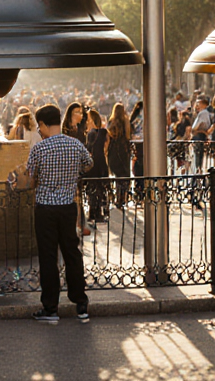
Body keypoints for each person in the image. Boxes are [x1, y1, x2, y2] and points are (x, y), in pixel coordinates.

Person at [25, 104, 92, 324]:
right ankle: (80, 303)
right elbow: (89, 163)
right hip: (67, 206)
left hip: (45, 208)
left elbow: (31, 178)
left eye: (38, 126)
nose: (39, 130)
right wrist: (73, 175)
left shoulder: (39, 149)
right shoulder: (75, 144)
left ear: (43, 124)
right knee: (72, 253)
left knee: (48, 257)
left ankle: (51, 308)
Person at [84, 108, 109, 223]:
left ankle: (93, 213)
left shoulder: (91, 133)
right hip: (102, 162)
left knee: (92, 188)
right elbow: (106, 147)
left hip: (94, 163)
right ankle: (99, 212)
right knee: (100, 188)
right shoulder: (103, 132)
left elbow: (89, 149)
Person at [107, 103, 133, 208]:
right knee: (125, 175)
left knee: (118, 177)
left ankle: (118, 198)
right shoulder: (126, 122)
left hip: (113, 151)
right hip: (124, 151)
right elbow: (128, 136)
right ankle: (123, 197)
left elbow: (109, 137)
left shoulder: (111, 122)